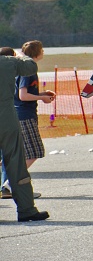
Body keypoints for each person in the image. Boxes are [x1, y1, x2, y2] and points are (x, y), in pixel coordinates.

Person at [0, 46, 49, 222]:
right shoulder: (8, 62)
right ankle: (26, 209)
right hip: (6, 119)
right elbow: (30, 67)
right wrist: (21, 55)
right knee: (16, 163)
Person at [15, 41, 55, 175]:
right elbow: (23, 95)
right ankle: (11, 181)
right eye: (42, 49)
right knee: (34, 151)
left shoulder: (25, 68)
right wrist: (42, 98)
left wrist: (42, 94)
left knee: (19, 151)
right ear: (36, 52)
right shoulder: (28, 70)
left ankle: (10, 180)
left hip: (21, 114)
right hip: (24, 115)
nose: (43, 52)